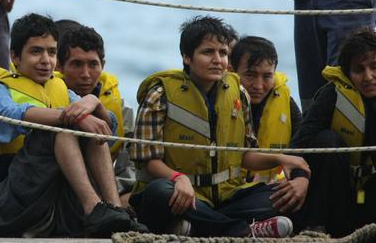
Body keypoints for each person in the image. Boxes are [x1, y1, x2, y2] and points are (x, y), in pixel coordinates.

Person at [129, 16, 310, 238]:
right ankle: (242, 231)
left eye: (223, 53)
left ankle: (196, 227)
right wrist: (178, 178)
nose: (217, 60)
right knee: (158, 192)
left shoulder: (238, 92)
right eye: (207, 52)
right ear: (187, 57)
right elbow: (148, 162)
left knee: (285, 194)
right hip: (179, 193)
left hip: (225, 198)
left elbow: (244, 156)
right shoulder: (160, 95)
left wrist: (281, 159)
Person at [0, 13, 146, 237]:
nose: (46, 60)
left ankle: (115, 210)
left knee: (89, 128)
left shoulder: (63, 90)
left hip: (57, 194)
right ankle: (94, 208)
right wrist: (73, 115)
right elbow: (11, 113)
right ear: (15, 56)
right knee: (60, 129)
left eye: (52, 52)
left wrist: (94, 102)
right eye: (36, 51)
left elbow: (108, 132)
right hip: (11, 198)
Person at [290, 27, 376, 237]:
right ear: (347, 72)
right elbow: (299, 143)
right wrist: (300, 176)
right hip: (337, 195)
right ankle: (315, 227)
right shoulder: (332, 94)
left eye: (374, 67)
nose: (368, 76)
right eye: (359, 69)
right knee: (327, 139)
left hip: (370, 194)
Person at [56, 25, 136, 201]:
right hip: (58, 188)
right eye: (76, 64)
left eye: (93, 64)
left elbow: (129, 168)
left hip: (109, 191)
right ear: (59, 66)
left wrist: (115, 191)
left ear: (103, 65)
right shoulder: (48, 99)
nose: (85, 74)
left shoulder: (123, 109)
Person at [230, 36, 304, 184]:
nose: (258, 86)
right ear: (232, 70)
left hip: (273, 190)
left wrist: (300, 179)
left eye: (267, 76)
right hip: (228, 192)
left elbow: (303, 147)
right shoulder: (220, 100)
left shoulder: (286, 102)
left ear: (274, 73)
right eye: (250, 75)